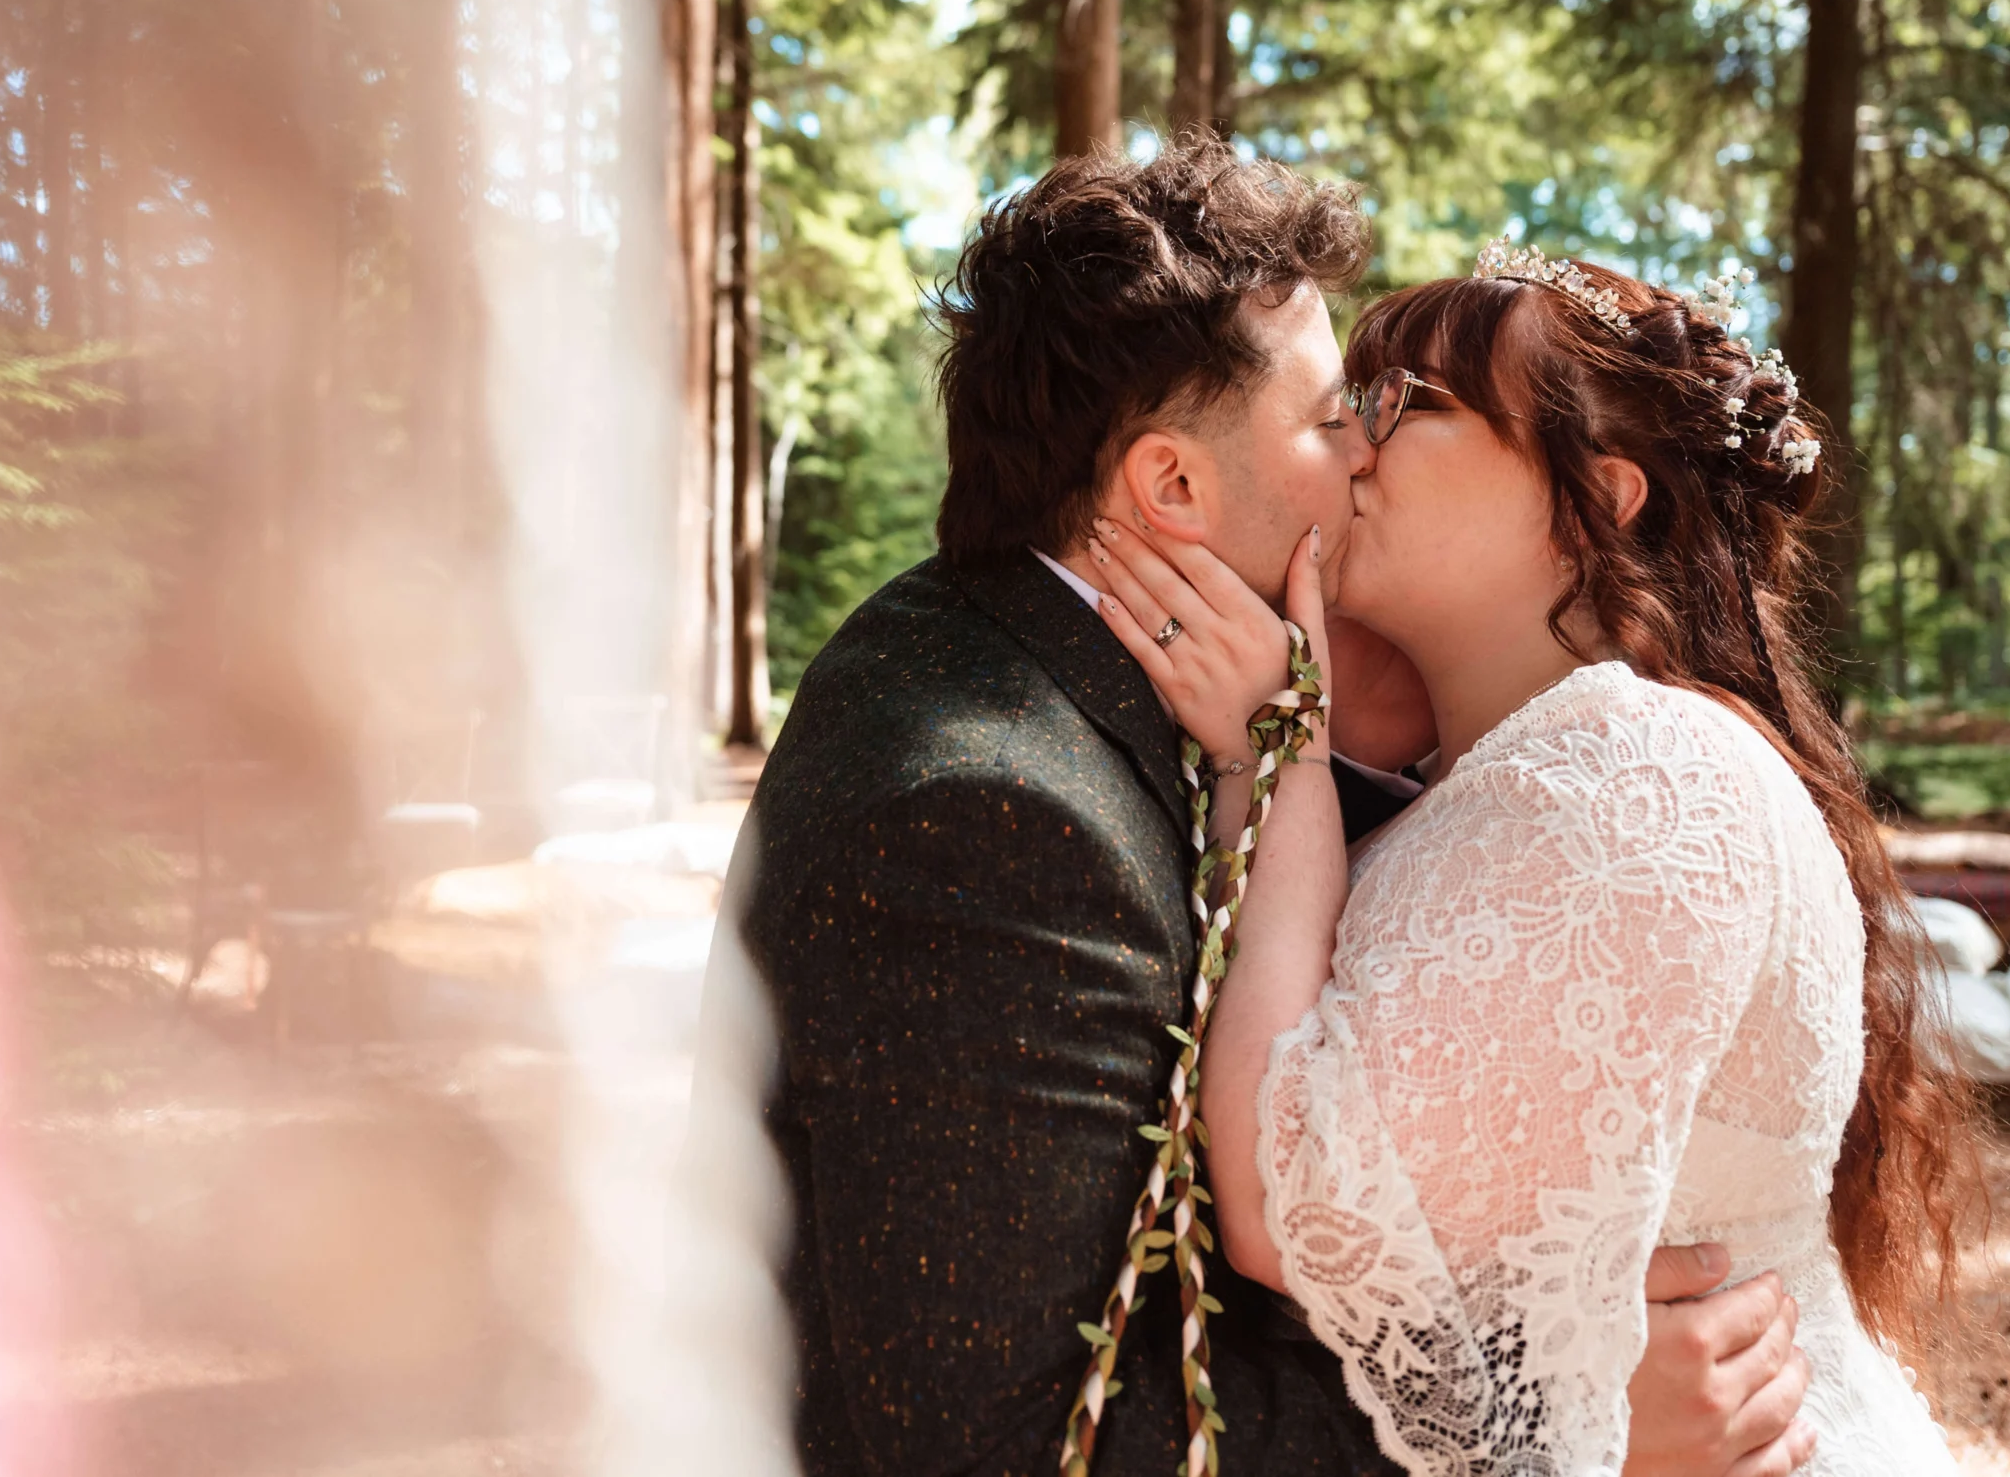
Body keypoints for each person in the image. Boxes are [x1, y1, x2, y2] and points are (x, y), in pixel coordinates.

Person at [725, 137, 1819, 1476]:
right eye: (1330, 417)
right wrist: (1561, 1423)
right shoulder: (985, 810)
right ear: (1172, 486)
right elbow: (1005, 1438)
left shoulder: (1043, 663)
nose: (1365, 449)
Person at [1083, 248, 1983, 1475]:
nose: (1352, 442)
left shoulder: (1639, 772)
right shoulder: (1506, 776)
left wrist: (1271, 754)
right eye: (1353, 398)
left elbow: (1292, 1208)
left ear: (1596, 499)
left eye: (1410, 403)